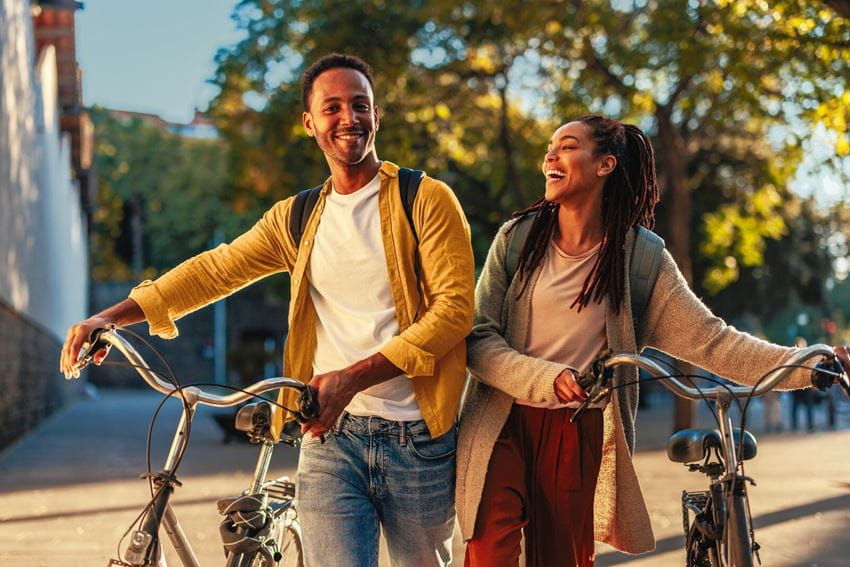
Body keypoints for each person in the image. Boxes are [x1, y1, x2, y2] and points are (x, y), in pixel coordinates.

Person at [60, 53, 474, 567]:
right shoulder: (298, 218)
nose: (349, 118)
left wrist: (352, 378)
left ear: (376, 115)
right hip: (330, 437)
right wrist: (110, 317)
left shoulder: (426, 199)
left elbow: (455, 310)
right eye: (333, 107)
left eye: (360, 105)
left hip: (417, 438)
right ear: (310, 123)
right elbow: (214, 270)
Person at [456, 115, 822, 566]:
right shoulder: (518, 239)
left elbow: (713, 342)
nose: (550, 156)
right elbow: (477, 338)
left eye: (567, 146)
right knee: (488, 552)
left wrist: (808, 364)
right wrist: (545, 378)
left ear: (605, 165)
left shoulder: (641, 259)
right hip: (500, 421)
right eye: (550, 147)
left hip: (579, 427)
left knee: (563, 558)